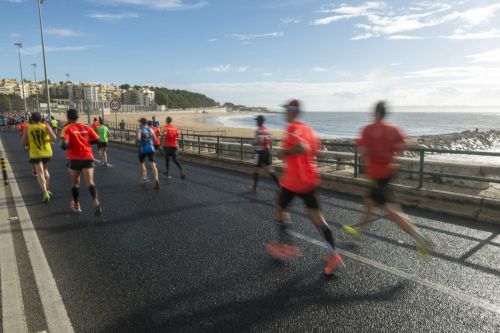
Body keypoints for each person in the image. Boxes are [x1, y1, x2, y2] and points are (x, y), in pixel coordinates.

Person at [342, 101, 432, 257]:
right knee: (369, 202)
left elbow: (362, 151)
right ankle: (358, 230)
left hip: (377, 175)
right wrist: (392, 149)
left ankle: (420, 239)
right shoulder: (393, 128)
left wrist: (371, 150)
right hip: (388, 172)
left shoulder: (368, 130)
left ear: (376, 113)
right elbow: (407, 144)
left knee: (391, 210)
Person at [266, 99, 344, 276]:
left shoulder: (292, 128)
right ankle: (333, 255)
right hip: (310, 180)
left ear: (292, 112)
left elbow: (301, 147)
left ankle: (285, 245)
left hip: (294, 181)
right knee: (319, 220)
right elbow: (318, 150)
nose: (284, 113)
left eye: (286, 110)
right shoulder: (310, 129)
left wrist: (284, 152)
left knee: (279, 209)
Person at [60, 109, 102, 216]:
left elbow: (64, 144)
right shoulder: (86, 127)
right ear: (78, 117)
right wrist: (88, 142)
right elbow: (98, 140)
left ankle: (77, 204)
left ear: (67, 117)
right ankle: (96, 201)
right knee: (90, 182)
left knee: (75, 184)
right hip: (87, 157)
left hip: (74, 159)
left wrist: (66, 145)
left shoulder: (67, 128)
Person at [21, 112, 56, 203]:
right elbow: (54, 138)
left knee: (40, 173)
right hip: (47, 152)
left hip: (35, 153)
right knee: (45, 171)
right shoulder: (46, 126)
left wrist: (29, 139)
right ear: (41, 119)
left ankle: (45, 192)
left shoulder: (27, 127)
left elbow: (24, 142)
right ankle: (47, 189)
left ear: (31, 119)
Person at [251, 115, 280, 191]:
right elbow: (271, 141)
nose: (256, 122)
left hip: (259, 153)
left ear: (258, 121)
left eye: (256, 120)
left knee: (256, 170)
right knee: (270, 170)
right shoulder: (267, 130)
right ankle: (280, 186)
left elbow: (259, 141)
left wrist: (253, 143)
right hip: (267, 152)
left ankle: (254, 187)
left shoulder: (258, 130)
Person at [137, 118, 160, 189]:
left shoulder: (140, 130)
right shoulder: (151, 130)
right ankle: (156, 178)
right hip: (151, 148)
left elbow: (138, 139)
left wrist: (138, 141)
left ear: (142, 123)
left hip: (143, 149)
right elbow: (155, 139)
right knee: (152, 164)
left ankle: (145, 177)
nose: (139, 124)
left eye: (139, 123)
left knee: (142, 163)